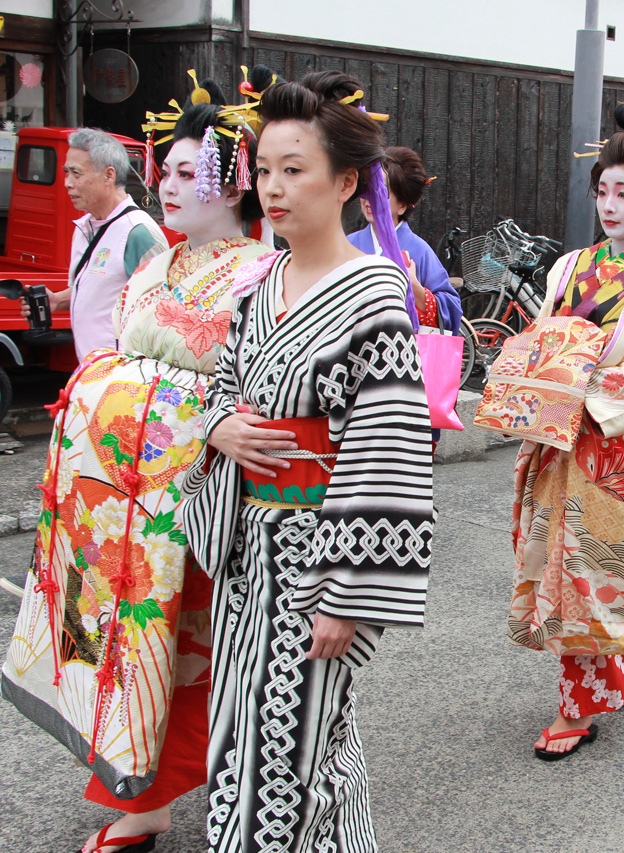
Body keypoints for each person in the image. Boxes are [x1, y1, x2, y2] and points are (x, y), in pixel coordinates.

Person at [1, 79, 271, 853]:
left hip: (205, 501)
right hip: (123, 502)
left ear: (237, 181)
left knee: (200, 652)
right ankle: (146, 796)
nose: (172, 185)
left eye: (191, 172)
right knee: (129, 645)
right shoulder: (159, 265)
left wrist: (170, 407)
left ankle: (239, 783)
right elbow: (122, 358)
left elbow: (245, 385)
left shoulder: (261, 272)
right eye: (171, 170)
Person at [177, 70, 435, 851]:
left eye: (294, 169)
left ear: (347, 181)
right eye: (263, 170)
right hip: (247, 550)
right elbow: (219, 385)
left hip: (317, 558)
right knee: (250, 732)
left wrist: (347, 591)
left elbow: (387, 444)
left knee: (285, 751)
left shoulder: (376, 291)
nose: (273, 187)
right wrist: (219, 424)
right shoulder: (262, 286)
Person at [508, 131, 624, 760]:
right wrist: (536, 379)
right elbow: (545, 341)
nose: (610, 205)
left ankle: (577, 709)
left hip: (616, 446)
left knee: (592, 572)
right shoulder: (570, 267)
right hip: (561, 440)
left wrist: (583, 385)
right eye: (603, 192)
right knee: (558, 564)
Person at [47, 129, 168, 361]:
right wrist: (58, 300)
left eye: (76, 174)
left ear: (108, 175)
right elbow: (104, 291)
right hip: (90, 373)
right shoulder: (84, 227)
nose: (67, 183)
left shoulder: (138, 232)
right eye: (66, 173)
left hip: (123, 378)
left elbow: (163, 311)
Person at [348, 145, 461, 333]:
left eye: (381, 192)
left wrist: (414, 286)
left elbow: (450, 311)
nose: (369, 198)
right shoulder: (348, 244)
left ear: (401, 205)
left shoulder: (418, 250)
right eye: (367, 188)